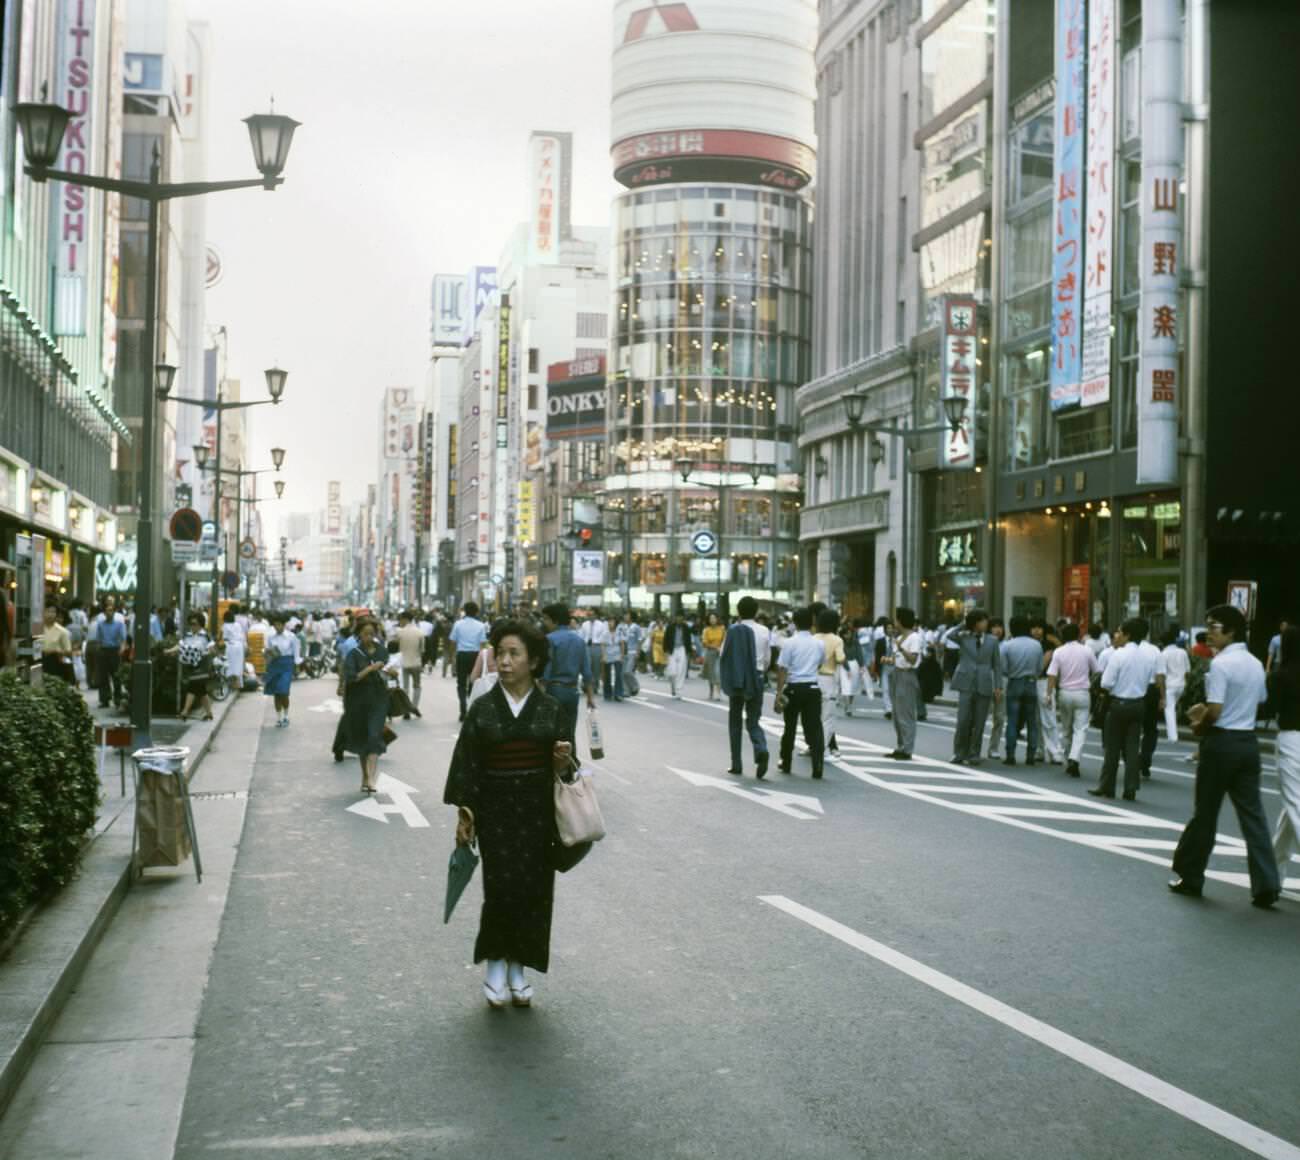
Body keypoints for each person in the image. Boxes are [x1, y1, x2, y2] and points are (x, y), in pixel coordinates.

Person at [443, 619, 573, 1009]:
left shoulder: (551, 707)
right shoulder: (483, 708)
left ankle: (520, 966)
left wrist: (562, 763)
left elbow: (569, 769)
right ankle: (495, 965)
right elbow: (466, 764)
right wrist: (466, 815)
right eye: (500, 653)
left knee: (536, 891)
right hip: (496, 811)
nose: (503, 661)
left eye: (514, 654)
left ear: (534, 661)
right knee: (499, 889)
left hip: (537, 813)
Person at [1169, 605, 1281, 907]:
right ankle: (1267, 884)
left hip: (1221, 744)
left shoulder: (1220, 665)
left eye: (1214, 627)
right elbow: (1260, 701)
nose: (1209, 634)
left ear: (1231, 631)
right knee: (1254, 817)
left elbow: (1215, 710)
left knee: (1205, 813)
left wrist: (1199, 724)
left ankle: (1191, 876)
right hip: (1248, 743)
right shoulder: (1256, 663)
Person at [1088, 618, 1159, 801]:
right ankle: (1131, 787)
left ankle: (1107, 786)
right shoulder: (1148, 656)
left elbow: (1106, 682)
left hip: (1118, 704)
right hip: (1139, 703)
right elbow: (1151, 680)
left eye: (1119, 632)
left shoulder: (1118, 655)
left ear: (1127, 634)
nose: (1117, 635)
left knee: (1112, 747)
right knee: (1132, 747)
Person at [720, 595, 770, 778]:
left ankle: (736, 764)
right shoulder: (764, 630)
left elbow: (723, 653)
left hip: (738, 679)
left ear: (738, 612)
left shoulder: (733, 630)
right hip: (756, 677)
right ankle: (761, 748)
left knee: (735, 721)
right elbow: (767, 659)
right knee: (753, 720)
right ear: (756, 611)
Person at [774, 607, 825, 778]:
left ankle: (786, 761)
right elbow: (820, 663)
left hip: (794, 687)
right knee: (814, 728)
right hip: (812, 688)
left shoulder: (789, 643)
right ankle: (817, 765)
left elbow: (782, 669)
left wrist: (779, 693)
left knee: (790, 727)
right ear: (812, 623)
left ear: (794, 623)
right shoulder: (818, 643)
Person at [340, 618, 389, 792]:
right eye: (365, 633)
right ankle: (365, 776)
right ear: (359, 634)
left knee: (374, 736)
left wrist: (390, 672)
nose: (369, 637)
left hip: (378, 698)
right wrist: (370, 669)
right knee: (363, 738)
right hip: (358, 700)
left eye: (372, 633)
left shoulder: (382, 651)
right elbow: (352, 678)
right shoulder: (353, 654)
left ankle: (372, 779)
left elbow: (386, 671)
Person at [1267, 625, 1300, 877]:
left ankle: (1272, 870)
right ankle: (1273, 869)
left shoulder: (1281, 675)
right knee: (1290, 810)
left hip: (1291, 738)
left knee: (1295, 804)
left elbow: (1269, 710)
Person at [1045, 623, 1099, 777]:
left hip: (1065, 693)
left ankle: (1069, 757)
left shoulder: (1059, 652)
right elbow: (1097, 671)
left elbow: (1052, 675)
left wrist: (1049, 694)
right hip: (1082, 693)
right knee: (1080, 728)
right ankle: (1074, 758)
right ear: (1078, 635)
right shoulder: (1087, 650)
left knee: (1066, 728)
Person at [949, 609, 1002, 766]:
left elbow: (997, 665)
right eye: (982, 620)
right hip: (966, 681)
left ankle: (974, 754)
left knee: (979, 721)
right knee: (963, 719)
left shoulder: (992, 640)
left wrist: (998, 686)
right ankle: (959, 752)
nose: (986, 623)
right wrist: (964, 623)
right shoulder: (965, 637)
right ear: (975, 623)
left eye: (986, 620)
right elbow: (949, 635)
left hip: (984, 682)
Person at [540, 602, 596, 748]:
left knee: (551, 733)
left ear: (555, 621)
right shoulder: (579, 641)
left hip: (553, 691)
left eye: (546, 619)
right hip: (572, 693)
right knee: (569, 732)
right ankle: (571, 766)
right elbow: (587, 672)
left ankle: (555, 767)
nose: (544, 622)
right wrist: (590, 697)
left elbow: (546, 673)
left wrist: (539, 696)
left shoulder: (550, 639)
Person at [1000, 617, 1043, 766]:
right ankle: (1031, 755)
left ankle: (1010, 754)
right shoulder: (1036, 645)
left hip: (1014, 683)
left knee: (1012, 720)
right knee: (1032, 721)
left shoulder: (1007, 645)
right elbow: (1039, 668)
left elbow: (1003, 668)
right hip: (1031, 682)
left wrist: (1012, 673)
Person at [887, 608, 925, 761]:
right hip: (896, 673)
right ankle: (900, 746)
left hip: (907, 675)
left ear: (902, 620)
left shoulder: (914, 637)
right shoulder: (901, 636)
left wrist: (901, 648)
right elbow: (899, 658)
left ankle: (907, 749)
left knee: (906, 714)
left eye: (896, 619)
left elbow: (913, 659)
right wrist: (890, 660)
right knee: (897, 714)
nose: (895, 622)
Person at [170, 612, 215, 720]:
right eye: (190, 623)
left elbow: (211, 649)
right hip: (191, 666)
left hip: (202, 666)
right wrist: (169, 651)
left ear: (200, 624)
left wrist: (206, 653)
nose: (192, 626)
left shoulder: (205, 636)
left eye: (194, 623)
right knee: (201, 690)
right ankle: (209, 713)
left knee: (193, 687)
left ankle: (184, 712)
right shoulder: (188, 635)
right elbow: (180, 645)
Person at [1031, 620, 1064, 764]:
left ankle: (1055, 751)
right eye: (1034, 627)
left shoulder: (1049, 645)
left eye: (1039, 628)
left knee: (1048, 717)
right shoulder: (1029, 643)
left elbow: (1062, 654)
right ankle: (1040, 749)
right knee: (1036, 719)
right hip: (1033, 681)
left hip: (1044, 682)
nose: (1037, 631)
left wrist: (1056, 641)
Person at [814, 608, 845, 755]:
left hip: (813, 678)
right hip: (828, 680)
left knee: (814, 716)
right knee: (827, 717)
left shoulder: (814, 638)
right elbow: (839, 658)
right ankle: (823, 749)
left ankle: (813, 746)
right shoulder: (837, 640)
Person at [450, 602, 488, 721]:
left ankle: (462, 709)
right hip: (476, 656)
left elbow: (453, 641)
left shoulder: (458, 624)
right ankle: (472, 709)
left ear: (464, 611)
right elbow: (483, 644)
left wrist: (453, 656)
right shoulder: (481, 625)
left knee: (461, 684)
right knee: (474, 682)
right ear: (476, 612)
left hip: (462, 655)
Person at [263, 614, 301, 727]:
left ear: (284, 625)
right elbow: (267, 652)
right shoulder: (271, 637)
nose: (277, 627)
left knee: (284, 691)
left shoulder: (291, 636)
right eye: (275, 625)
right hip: (274, 665)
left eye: (279, 625)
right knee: (276, 693)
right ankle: (278, 718)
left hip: (287, 665)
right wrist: (267, 655)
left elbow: (296, 653)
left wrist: (297, 666)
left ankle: (286, 716)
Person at [93, 595, 127, 708]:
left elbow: (123, 639)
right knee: (103, 676)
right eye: (107, 611)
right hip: (103, 650)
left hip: (114, 651)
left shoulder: (119, 624)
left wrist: (121, 649)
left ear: (114, 612)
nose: (109, 613)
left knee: (116, 676)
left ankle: (117, 699)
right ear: (104, 612)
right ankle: (104, 699)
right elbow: (98, 639)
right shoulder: (100, 624)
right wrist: (98, 652)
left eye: (111, 611)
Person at [1161, 629, 1191, 743]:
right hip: (1181, 684)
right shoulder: (1183, 652)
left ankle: (1173, 736)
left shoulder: (1164, 654)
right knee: (1173, 708)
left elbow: (1162, 673)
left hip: (1169, 685)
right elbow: (1188, 670)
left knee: (1169, 709)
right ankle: (1173, 733)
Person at [985, 618, 1007, 759]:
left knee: (999, 718)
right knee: (980, 717)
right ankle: (973, 746)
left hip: (1002, 682)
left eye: (1000, 626)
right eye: (994, 627)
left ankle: (993, 748)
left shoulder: (1007, 645)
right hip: (985, 682)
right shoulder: (984, 643)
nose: (998, 630)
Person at [395, 610, 425, 712]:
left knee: (405, 687)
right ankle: (414, 707)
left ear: (405, 619)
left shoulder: (399, 632)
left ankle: (406, 708)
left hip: (404, 663)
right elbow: (422, 650)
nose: (400, 622)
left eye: (400, 620)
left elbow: (396, 648)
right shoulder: (420, 632)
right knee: (417, 686)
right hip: (416, 662)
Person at [38, 605, 75, 684]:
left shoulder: (62, 631)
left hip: (55, 662)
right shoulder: (37, 629)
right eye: (48, 611)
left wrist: (55, 651)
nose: (50, 614)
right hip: (39, 661)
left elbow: (68, 651)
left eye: (53, 612)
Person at [664, 611, 693, 700]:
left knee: (681, 670)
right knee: (672, 671)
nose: (679, 619)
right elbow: (666, 639)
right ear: (675, 618)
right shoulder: (670, 627)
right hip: (672, 649)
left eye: (681, 617)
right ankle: (673, 685)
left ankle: (678, 690)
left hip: (682, 649)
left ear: (683, 618)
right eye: (678, 617)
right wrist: (666, 651)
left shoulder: (686, 627)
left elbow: (688, 640)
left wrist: (689, 652)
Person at [221, 607, 246, 696]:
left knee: (230, 667)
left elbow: (224, 638)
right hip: (239, 646)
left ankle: (233, 687)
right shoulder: (238, 625)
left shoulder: (225, 626)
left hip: (230, 647)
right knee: (238, 668)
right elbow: (242, 637)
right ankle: (238, 688)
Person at [700, 612, 725, 701]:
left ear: (717, 619)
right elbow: (704, 643)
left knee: (718, 672)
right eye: (711, 618)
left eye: (714, 618)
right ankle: (711, 692)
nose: (712, 620)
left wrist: (721, 648)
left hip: (719, 653)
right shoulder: (706, 630)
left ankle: (718, 692)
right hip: (710, 653)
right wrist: (715, 647)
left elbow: (724, 640)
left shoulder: (722, 629)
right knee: (711, 673)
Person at [600, 613, 624, 702]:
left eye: (612, 621)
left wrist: (622, 655)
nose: (610, 623)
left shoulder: (619, 632)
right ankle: (607, 693)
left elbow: (622, 644)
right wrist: (603, 656)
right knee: (607, 675)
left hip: (617, 655)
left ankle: (618, 694)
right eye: (609, 621)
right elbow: (602, 645)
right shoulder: (605, 633)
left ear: (615, 623)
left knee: (618, 674)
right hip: (608, 655)